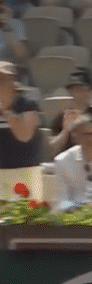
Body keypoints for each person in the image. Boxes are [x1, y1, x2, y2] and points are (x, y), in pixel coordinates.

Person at [46, 68, 92, 160]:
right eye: (79, 90)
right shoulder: (61, 118)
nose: (85, 93)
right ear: (70, 92)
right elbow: (51, 150)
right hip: (66, 163)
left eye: (87, 90)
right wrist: (65, 131)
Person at [0, 60, 42, 194]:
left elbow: (24, 136)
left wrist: (6, 111)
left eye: (2, 79)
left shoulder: (28, 105)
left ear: (14, 83)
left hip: (25, 175)